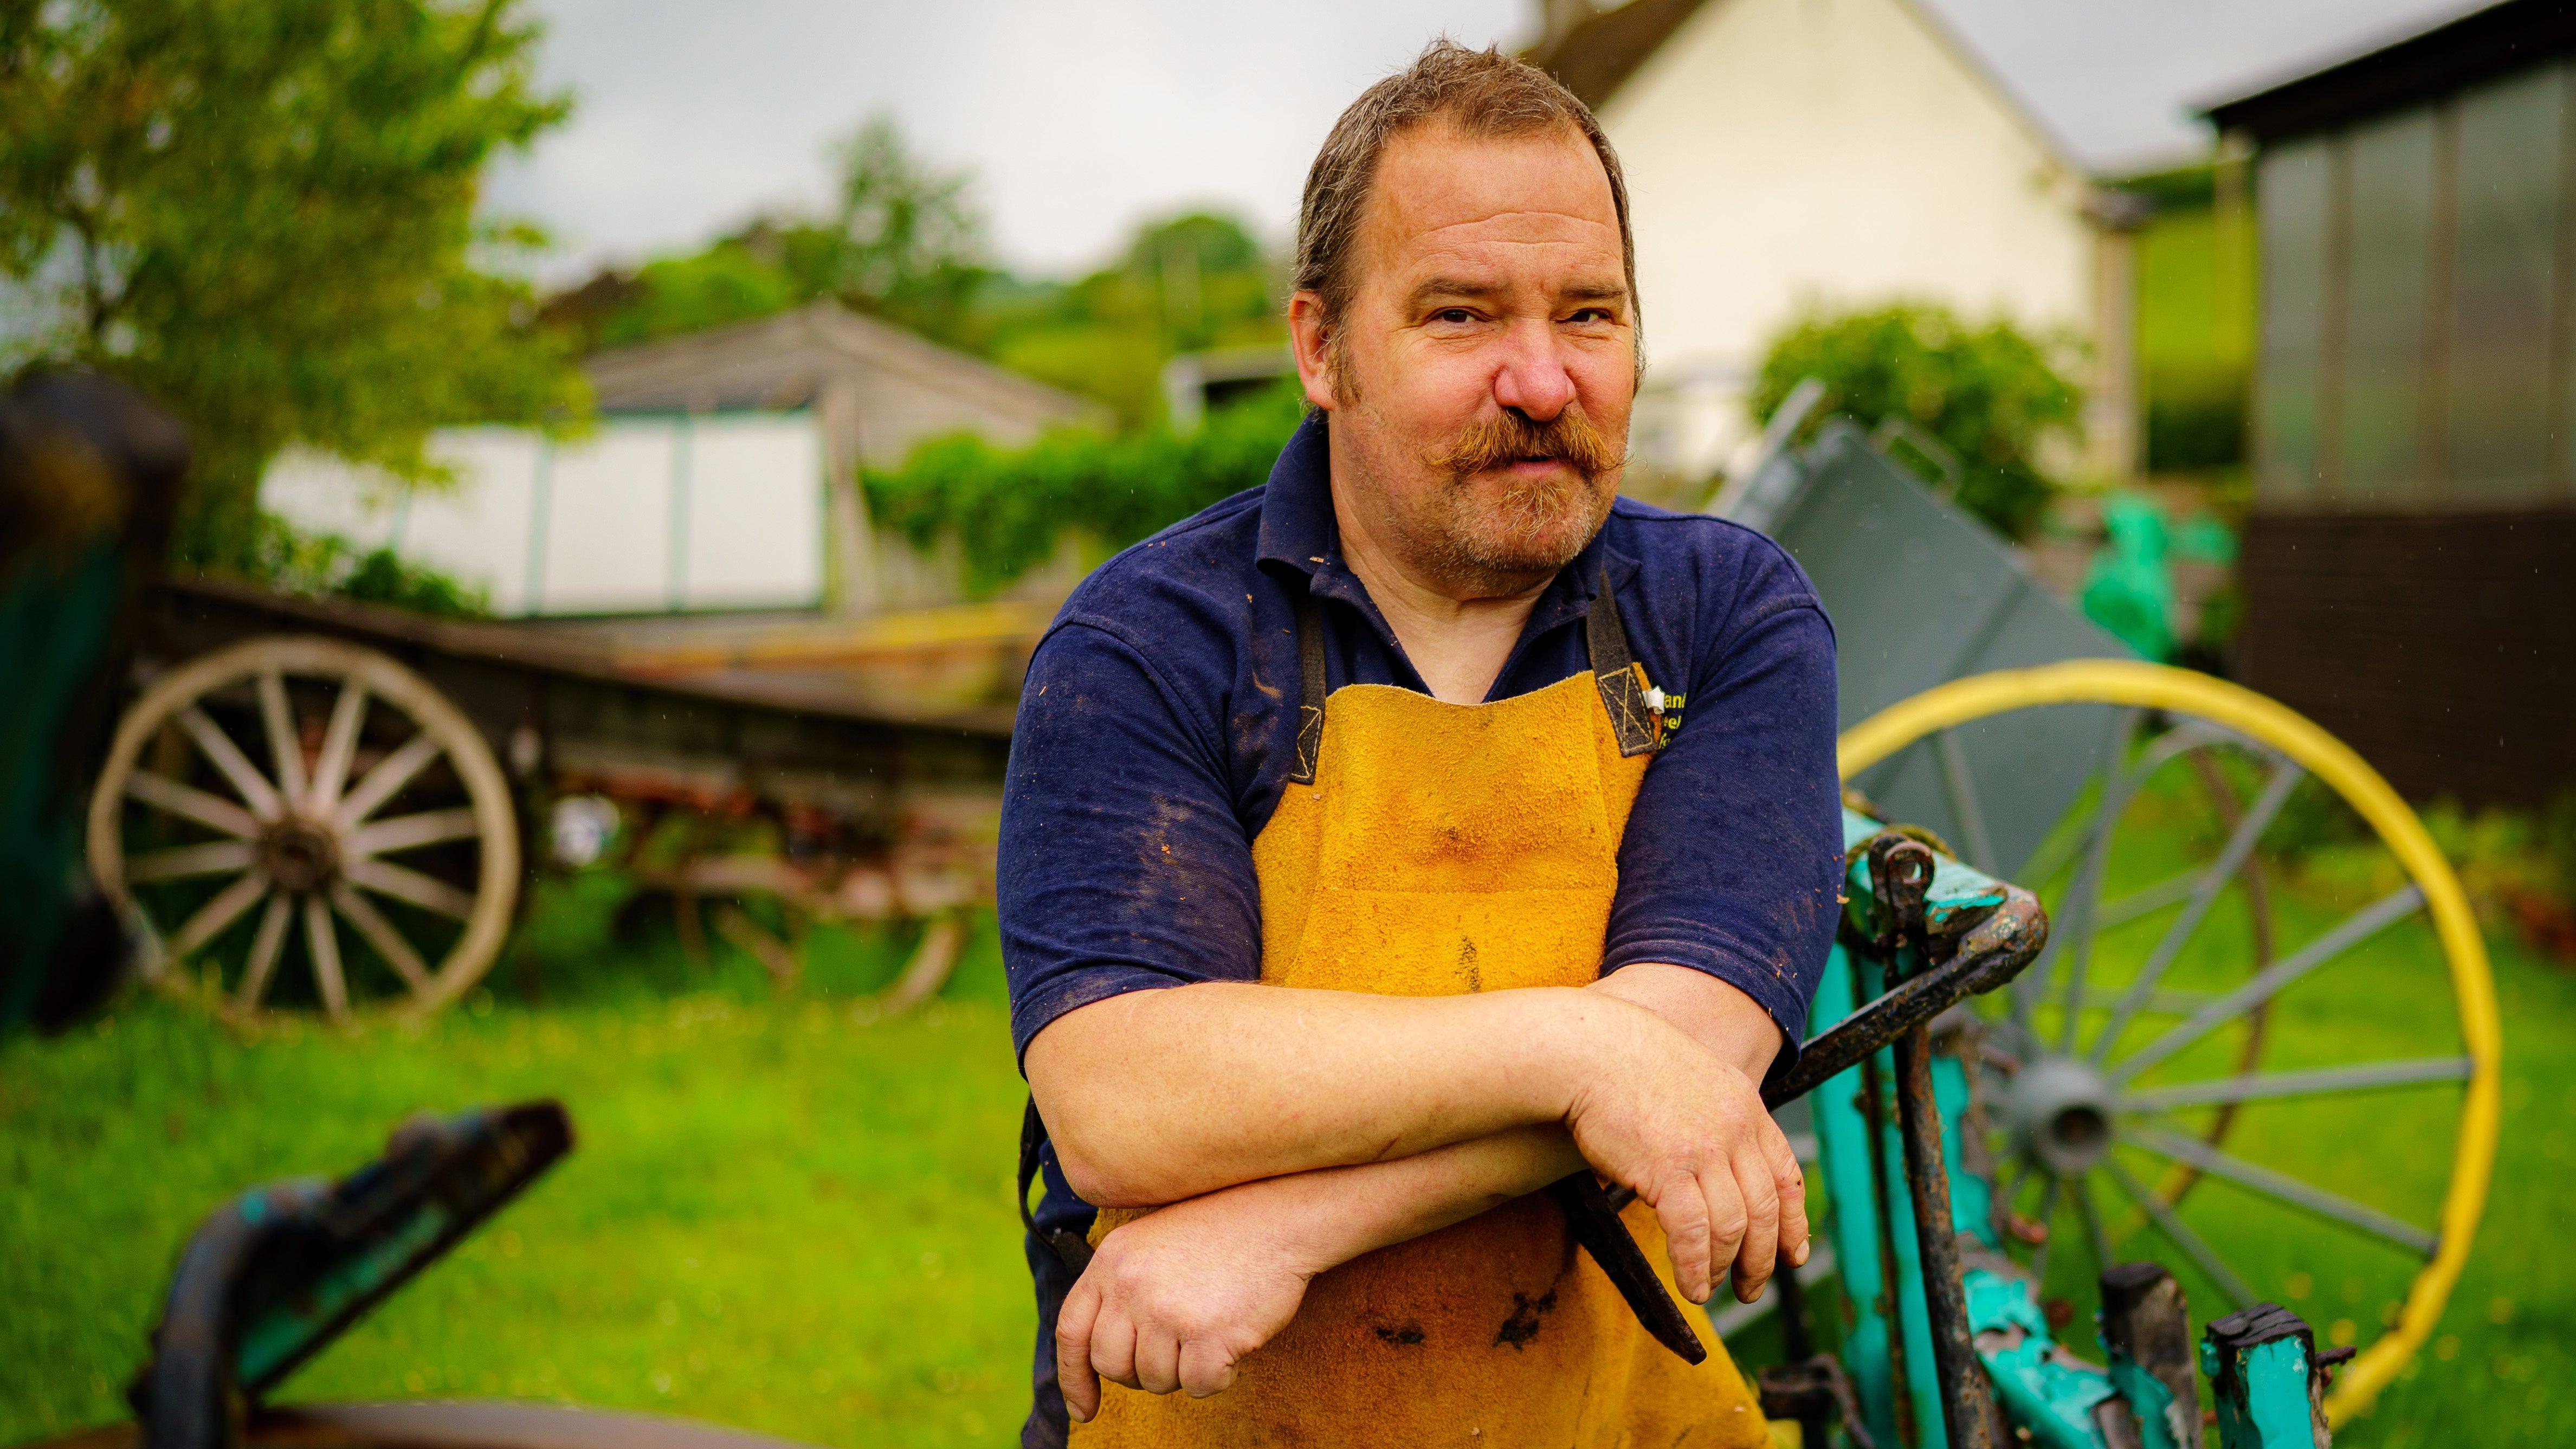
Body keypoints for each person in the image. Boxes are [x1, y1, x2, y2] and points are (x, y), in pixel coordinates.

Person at [1001, 40, 1843, 1449]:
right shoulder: (1148, 643)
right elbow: (1122, 1098)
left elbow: (1688, 1049)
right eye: (1459, 316)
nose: (1539, 379)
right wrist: (1581, 1045)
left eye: (1587, 313)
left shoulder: (1725, 615)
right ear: (1321, 348)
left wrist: (1288, 1220)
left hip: (1614, 1415)